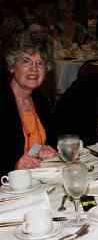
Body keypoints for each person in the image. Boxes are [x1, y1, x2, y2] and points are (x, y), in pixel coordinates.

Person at [2, 31, 57, 176]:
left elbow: (51, 138)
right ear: (12, 66)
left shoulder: (40, 100)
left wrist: (46, 150)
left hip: (37, 179)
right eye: (26, 61)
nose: (34, 69)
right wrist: (13, 166)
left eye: (40, 63)